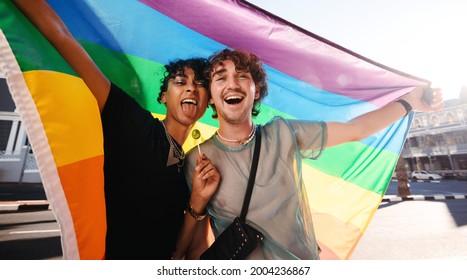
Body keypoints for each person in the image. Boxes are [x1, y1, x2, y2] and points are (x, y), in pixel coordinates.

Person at [185, 48, 444, 259]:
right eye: (221, 78)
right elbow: (198, 243)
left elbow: (356, 129)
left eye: (242, 76)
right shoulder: (198, 160)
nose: (232, 84)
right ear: (210, 97)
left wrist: (410, 102)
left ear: (256, 90)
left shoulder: (283, 134)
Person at [13, 0, 219, 260]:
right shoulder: (132, 122)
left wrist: (198, 202)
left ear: (207, 101)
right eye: (180, 82)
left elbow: (177, 254)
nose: (190, 88)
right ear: (164, 97)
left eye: (199, 84)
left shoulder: (194, 168)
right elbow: (62, 36)